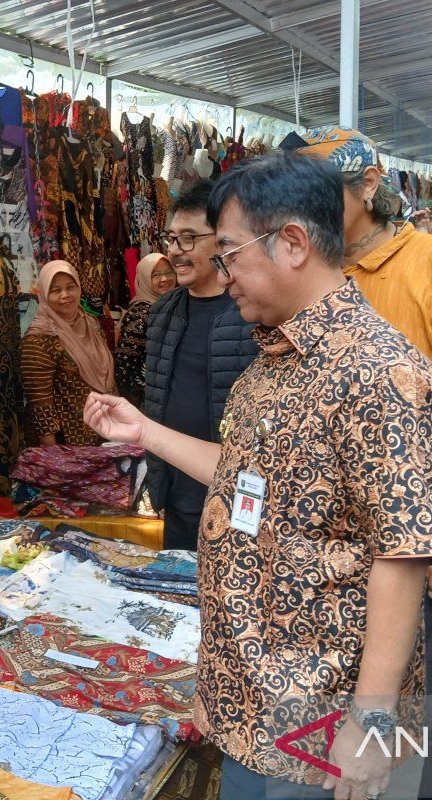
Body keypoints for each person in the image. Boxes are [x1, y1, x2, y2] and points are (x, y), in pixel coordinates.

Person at [84, 151, 432, 800]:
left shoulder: (380, 372)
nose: (223, 278)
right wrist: (144, 431)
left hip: (317, 725)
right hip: (249, 702)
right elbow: (241, 477)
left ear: (294, 243)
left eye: (229, 254)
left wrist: (370, 721)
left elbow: (403, 553)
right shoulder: (268, 364)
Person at [286, 126, 432, 800]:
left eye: (316, 193)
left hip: (428, 550)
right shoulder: (310, 272)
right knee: (341, 743)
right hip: (334, 561)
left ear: (370, 185)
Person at [143, 180, 258, 550]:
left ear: (221, 241)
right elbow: (160, 396)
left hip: (234, 494)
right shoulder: (164, 311)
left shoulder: (250, 313)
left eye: (189, 238)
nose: (177, 251)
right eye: (172, 238)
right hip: (176, 490)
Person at [20, 260, 115, 447]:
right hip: (70, 444)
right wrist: (54, 456)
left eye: (71, 287)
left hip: (106, 432)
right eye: (55, 290)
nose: (65, 295)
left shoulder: (91, 324)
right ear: (45, 294)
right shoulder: (39, 338)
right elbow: (40, 404)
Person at [114, 253, 175, 407]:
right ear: (145, 279)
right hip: (147, 401)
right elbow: (125, 367)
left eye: (169, 272)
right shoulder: (142, 314)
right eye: (156, 275)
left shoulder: (169, 305)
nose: (165, 279)